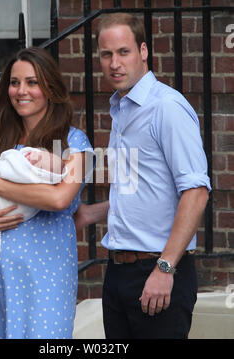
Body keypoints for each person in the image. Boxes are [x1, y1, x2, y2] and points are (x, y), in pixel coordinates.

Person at [74, 13, 211, 339]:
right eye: (106, 55)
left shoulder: (166, 107)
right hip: (118, 274)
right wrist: (87, 214)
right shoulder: (122, 109)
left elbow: (196, 191)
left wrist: (165, 268)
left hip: (159, 271)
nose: (114, 63)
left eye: (124, 52)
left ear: (144, 51)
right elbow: (139, 189)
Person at [0, 47, 94, 339]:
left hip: (46, 278)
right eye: (15, 82)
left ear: (50, 88)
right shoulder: (1, 140)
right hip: (2, 278)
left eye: (32, 82)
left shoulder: (73, 142)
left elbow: (60, 199)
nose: (22, 91)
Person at [0, 146, 68, 309]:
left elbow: (58, 200)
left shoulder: (73, 142)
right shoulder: (4, 137)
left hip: (41, 271)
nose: (34, 158)